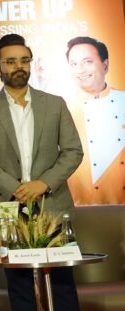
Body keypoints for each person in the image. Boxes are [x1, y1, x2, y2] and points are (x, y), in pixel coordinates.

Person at [0, 33, 114, 311]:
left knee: (62, 283)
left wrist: (43, 184)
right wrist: (17, 187)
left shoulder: (54, 104)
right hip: (7, 207)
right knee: (18, 284)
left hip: (51, 204)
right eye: (10, 61)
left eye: (24, 60)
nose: (18, 67)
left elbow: (73, 151)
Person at [63, 36, 125, 205]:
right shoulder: (63, 109)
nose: (80, 70)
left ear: (105, 65)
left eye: (87, 62)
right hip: (82, 206)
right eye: (74, 64)